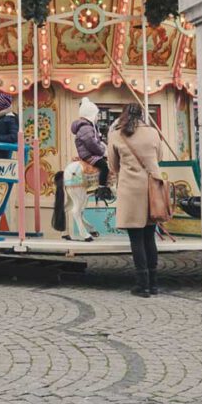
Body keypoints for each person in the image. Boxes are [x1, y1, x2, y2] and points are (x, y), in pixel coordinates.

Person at [107, 102, 163, 297]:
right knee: (149, 236)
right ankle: (154, 284)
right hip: (152, 189)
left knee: (136, 238)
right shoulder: (153, 132)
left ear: (123, 115)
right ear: (141, 115)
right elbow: (159, 156)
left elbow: (113, 165)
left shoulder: (116, 135)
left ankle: (142, 284)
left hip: (131, 189)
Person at [71, 98, 110, 189]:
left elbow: (95, 141)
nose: (97, 117)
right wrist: (102, 151)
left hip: (88, 153)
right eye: (96, 115)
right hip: (89, 155)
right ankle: (102, 188)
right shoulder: (86, 128)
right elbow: (92, 144)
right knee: (105, 166)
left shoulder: (87, 127)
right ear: (90, 116)